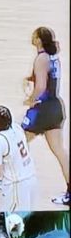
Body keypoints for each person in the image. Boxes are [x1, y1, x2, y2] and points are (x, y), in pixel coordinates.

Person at [18, 27, 69, 206]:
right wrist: (31, 78)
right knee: (60, 152)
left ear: (39, 39)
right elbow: (49, 79)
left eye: (34, 35)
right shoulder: (52, 56)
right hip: (56, 107)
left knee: (16, 140)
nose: (31, 37)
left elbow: (41, 87)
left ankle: (6, 179)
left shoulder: (41, 58)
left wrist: (30, 100)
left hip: (43, 109)